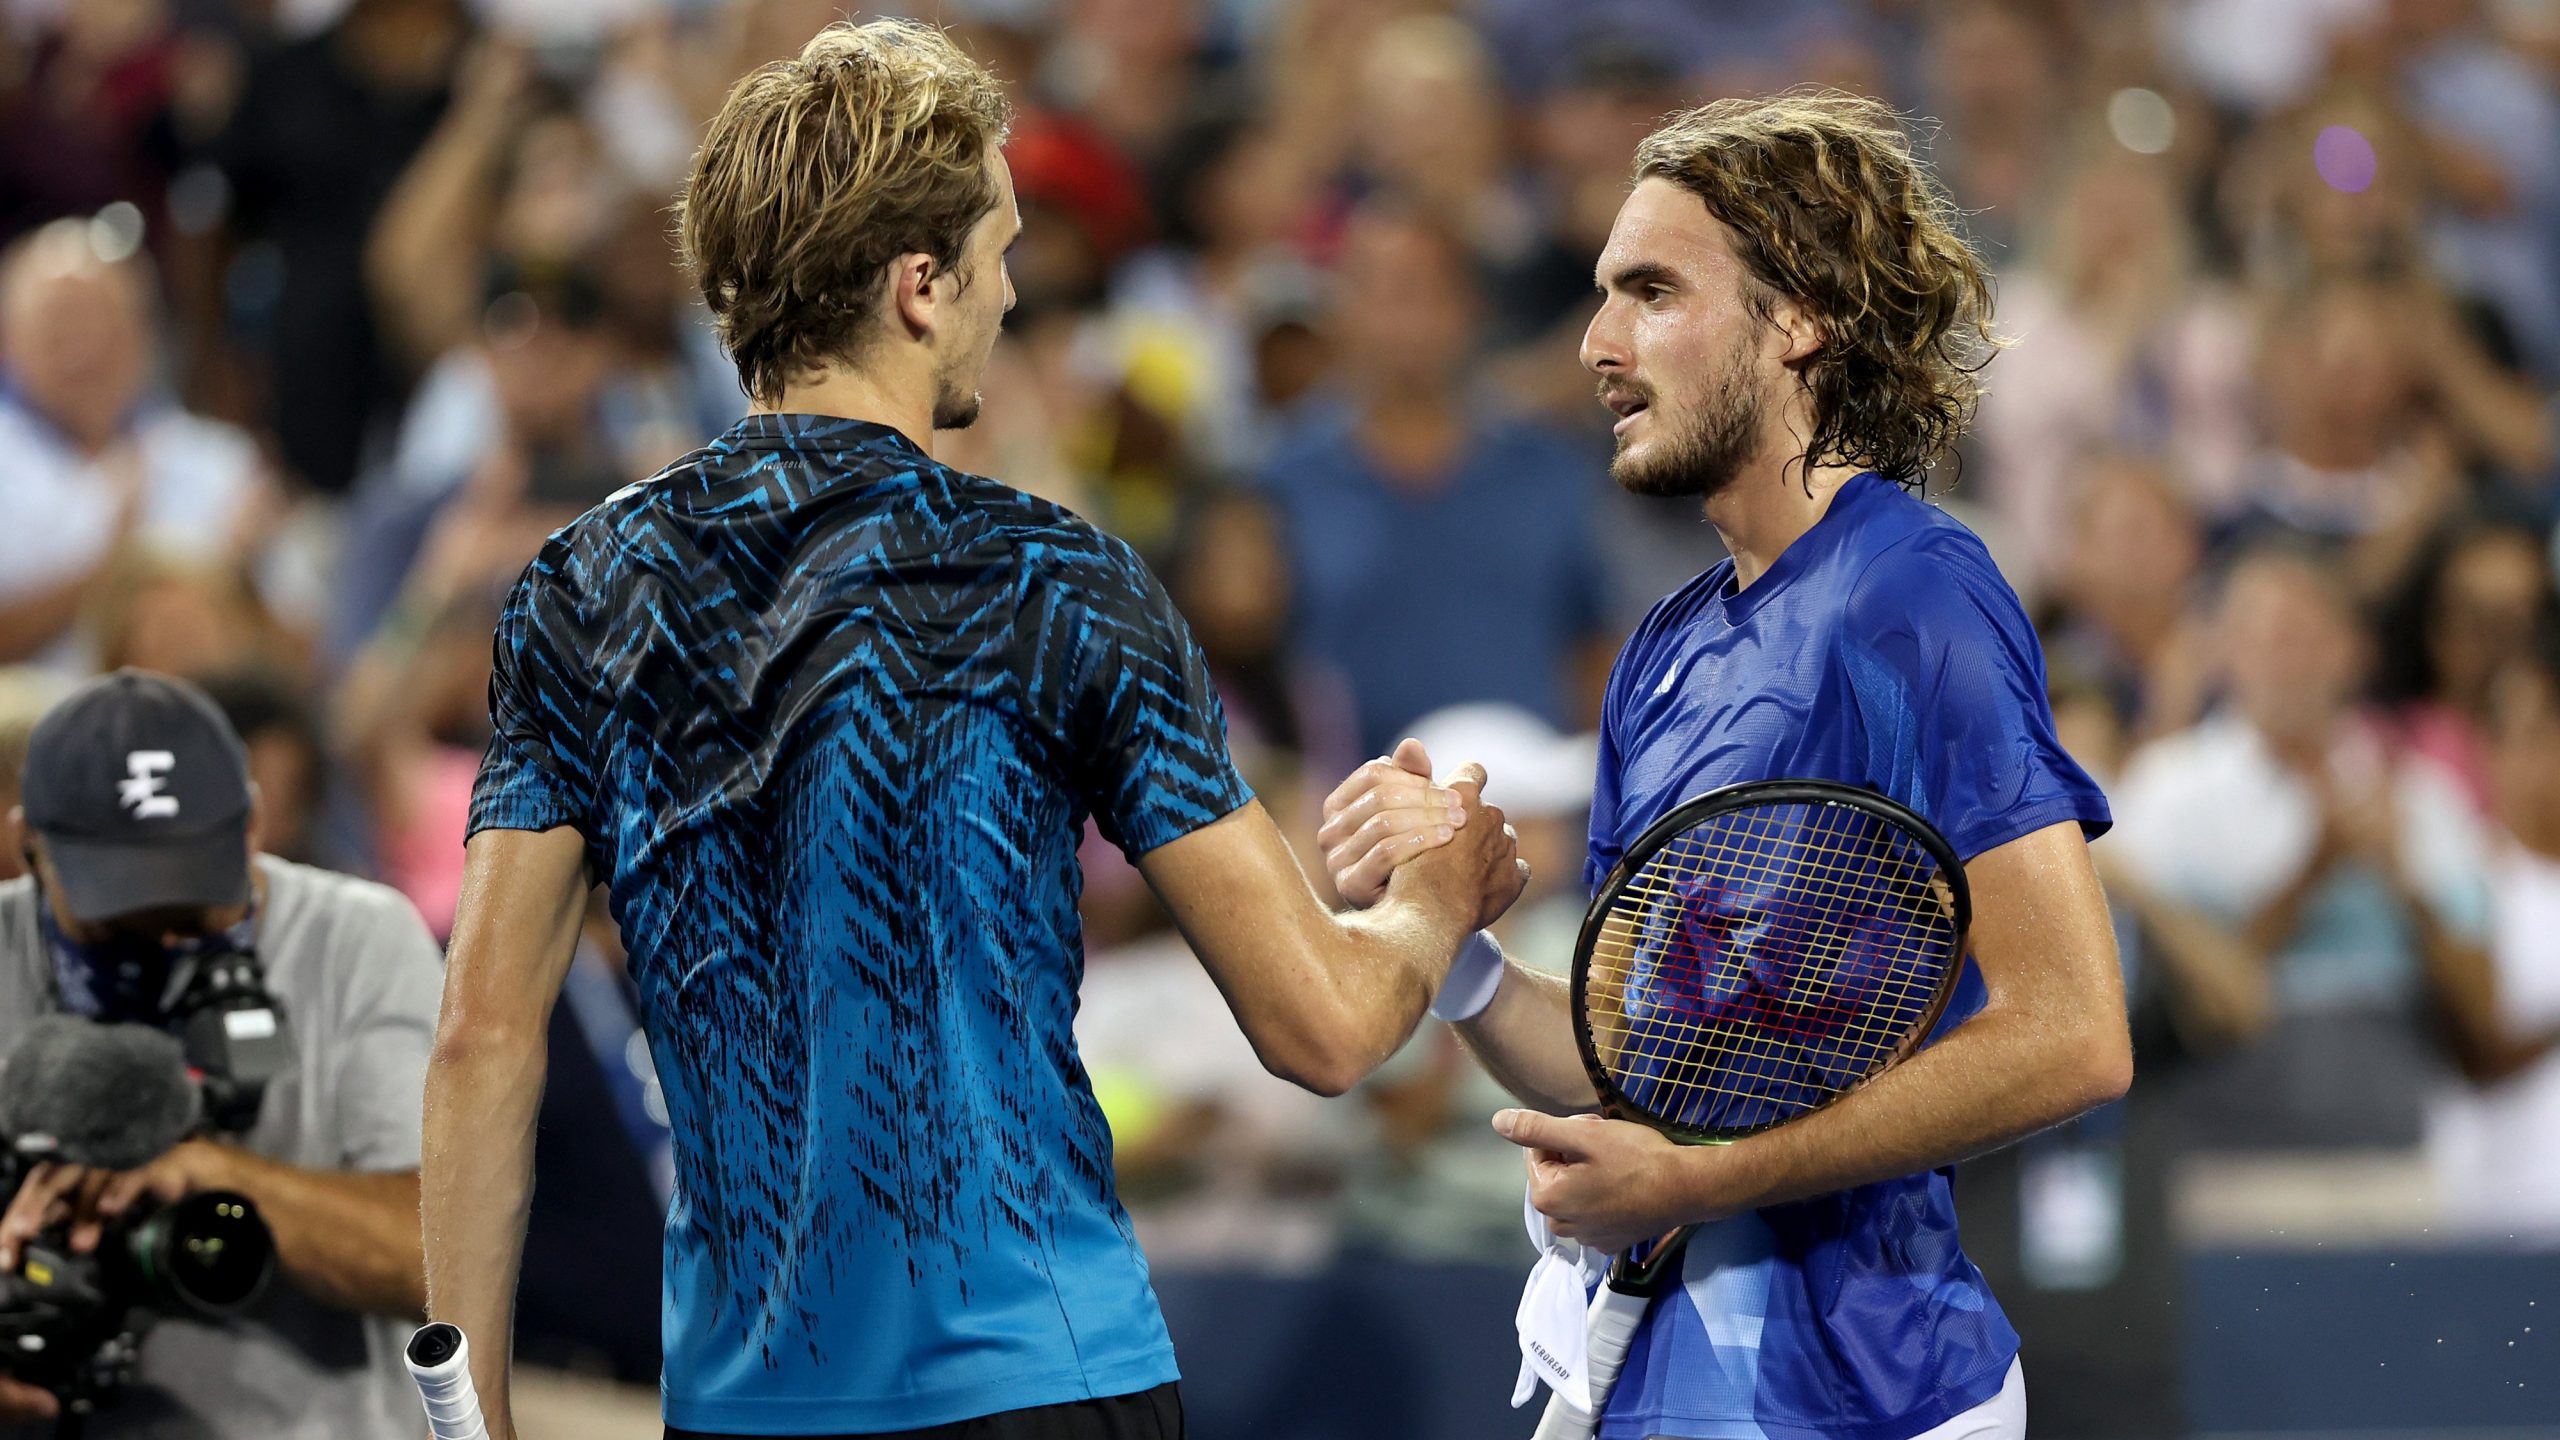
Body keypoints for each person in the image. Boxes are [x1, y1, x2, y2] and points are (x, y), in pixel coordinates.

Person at [418, 21, 1524, 1440]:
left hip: (746, 1411)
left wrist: (465, 1424)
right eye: (999, 249)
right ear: (918, 285)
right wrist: (1433, 903)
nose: (1012, 292)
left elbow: (480, 1044)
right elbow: (1321, 1025)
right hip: (1041, 1387)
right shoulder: (1049, 578)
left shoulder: (577, 589)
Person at [1321, 93, 2131, 1440]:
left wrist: (1702, 1184)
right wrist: (1457, 946)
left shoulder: (1915, 592)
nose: (1596, 345)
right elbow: (1632, 1067)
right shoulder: (1660, 654)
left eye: (1650, 292)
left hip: (1871, 1401)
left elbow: (2075, 1037)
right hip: (1669, 1382)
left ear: (1796, 314)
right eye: (1599, 296)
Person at [0, 670, 443, 1437]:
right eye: (122, 920)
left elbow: (441, 1261)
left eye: (193, 906)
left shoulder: (356, 941)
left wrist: (201, 1172)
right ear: (29, 849)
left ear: (252, 827)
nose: (166, 942)